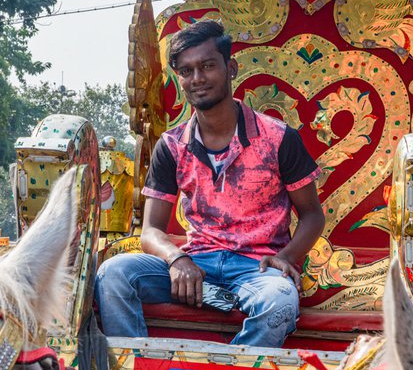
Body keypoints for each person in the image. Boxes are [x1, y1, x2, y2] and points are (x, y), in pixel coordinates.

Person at [94, 20, 325, 348]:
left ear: (230, 68)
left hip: (257, 269)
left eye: (206, 66)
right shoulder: (171, 145)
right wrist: (177, 259)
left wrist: (287, 256)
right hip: (197, 262)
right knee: (113, 274)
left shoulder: (278, 138)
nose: (197, 79)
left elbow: (313, 215)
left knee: (280, 301)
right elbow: (151, 231)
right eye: (186, 71)